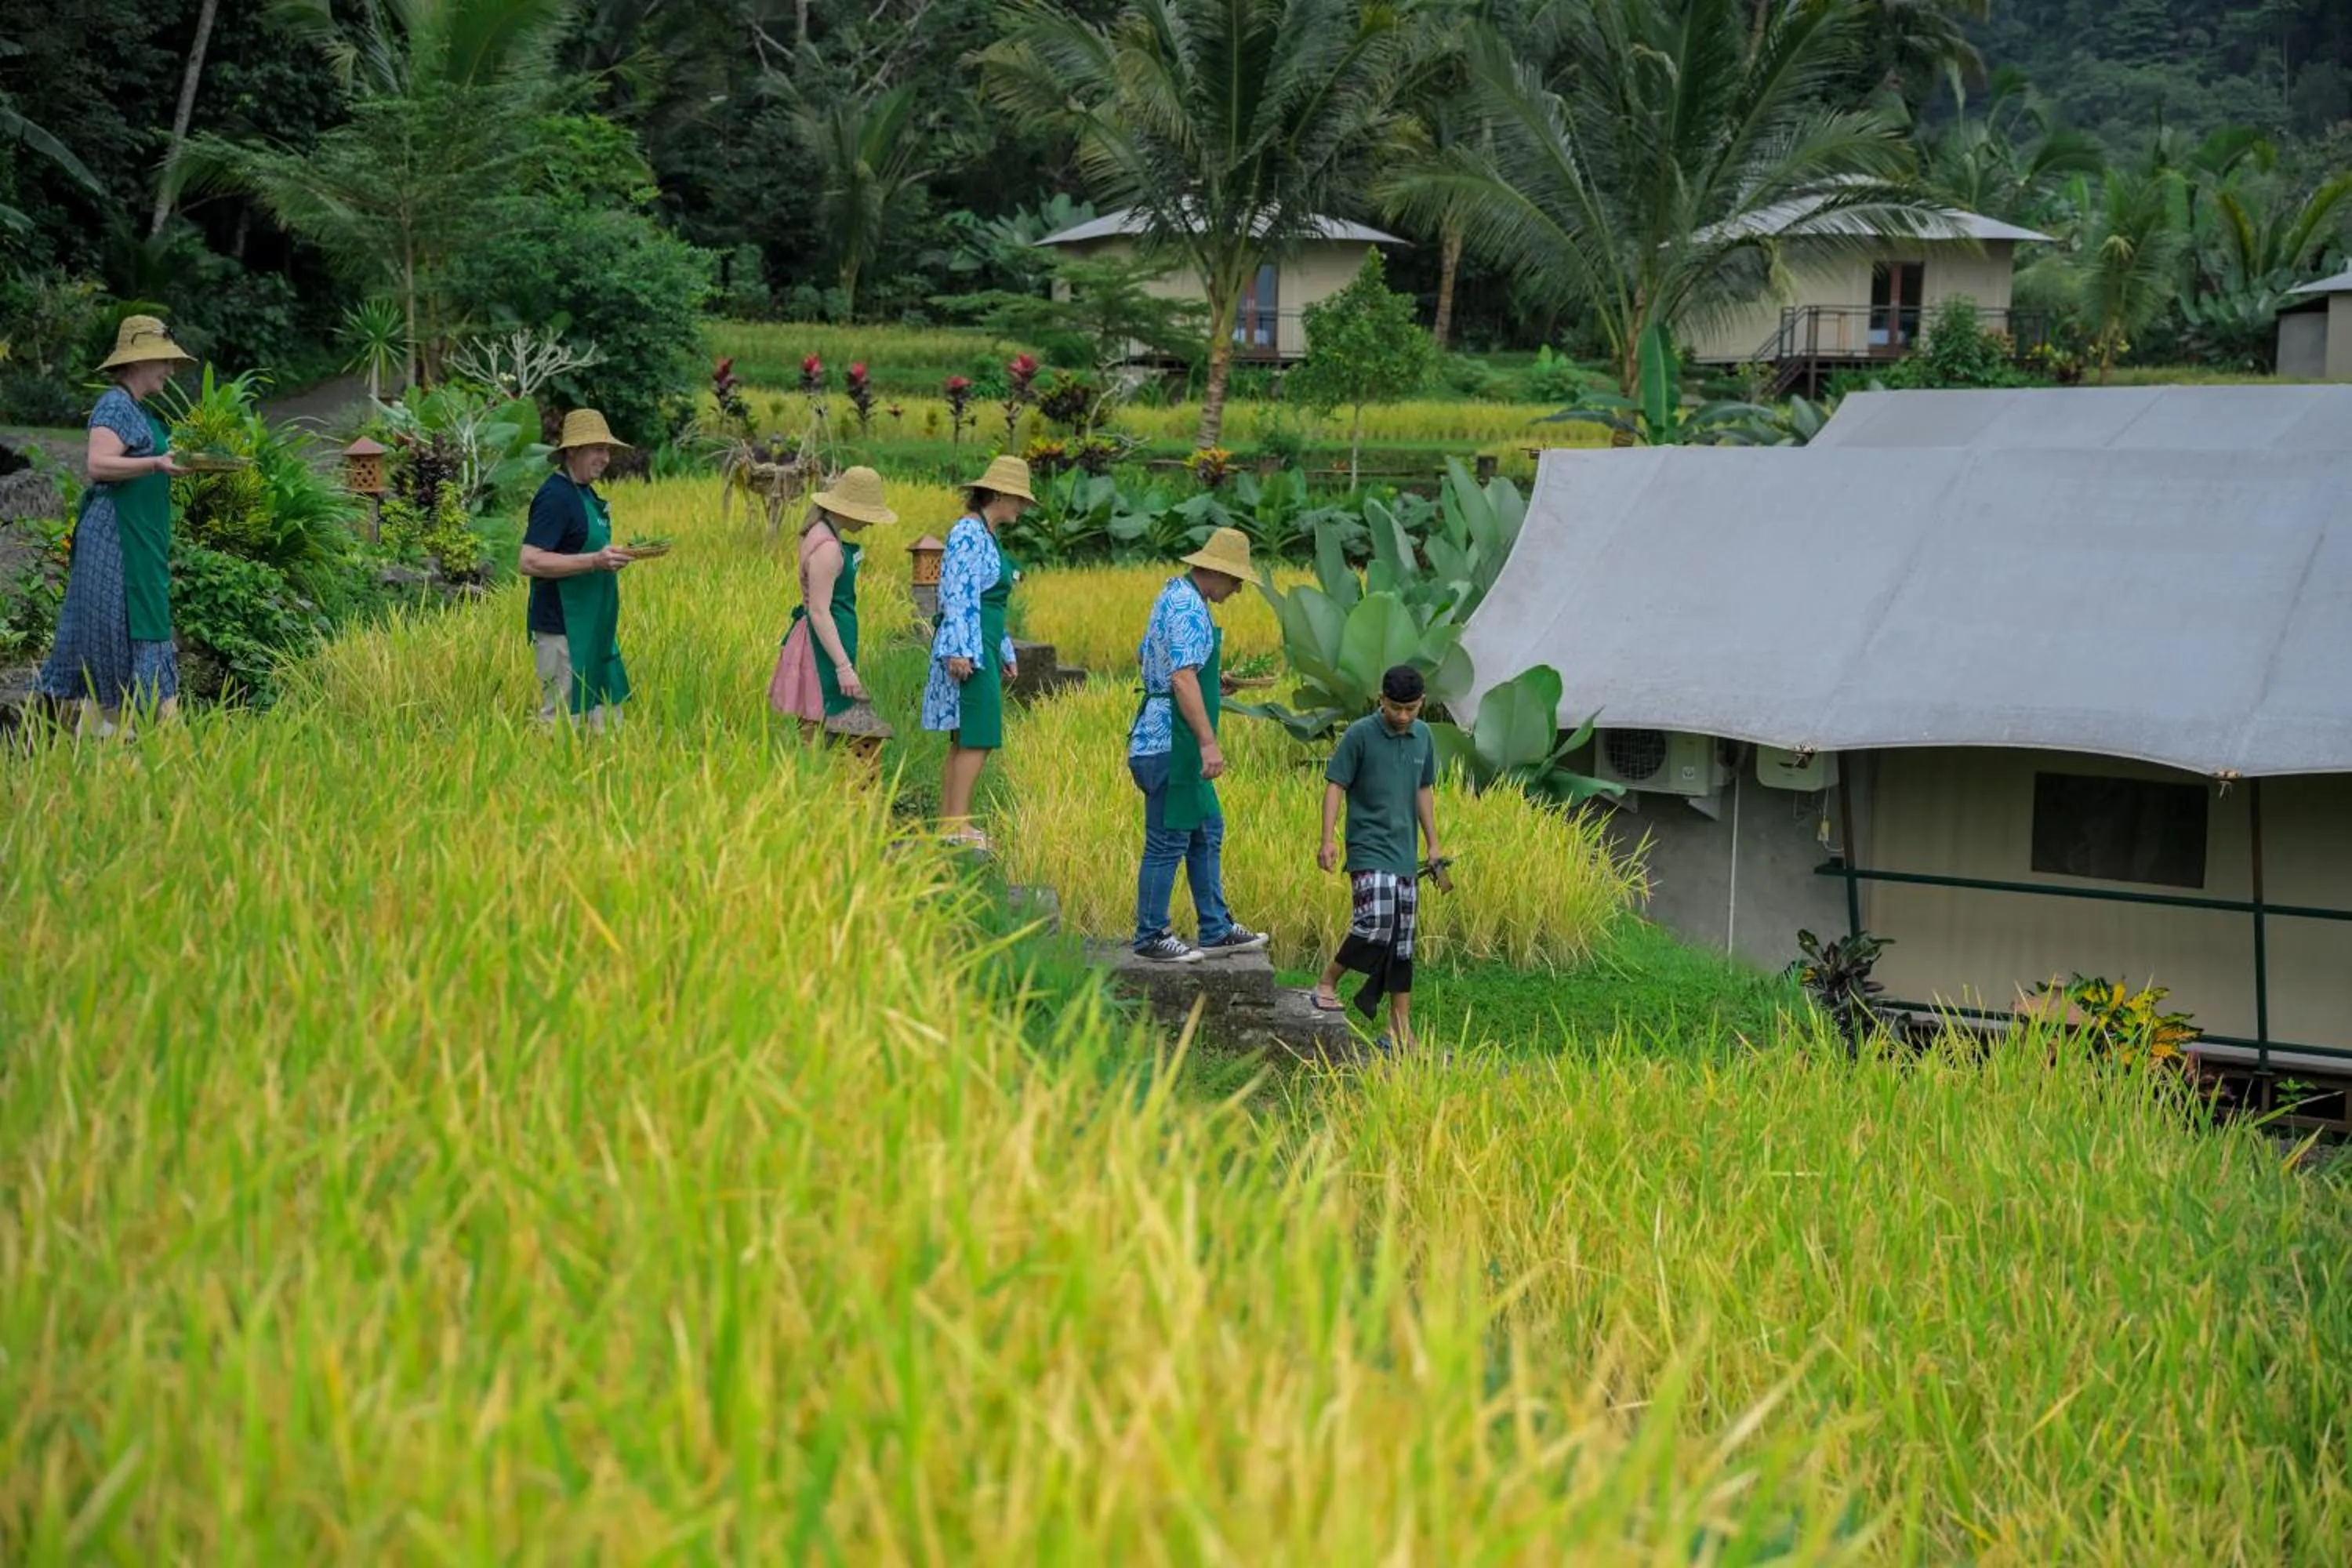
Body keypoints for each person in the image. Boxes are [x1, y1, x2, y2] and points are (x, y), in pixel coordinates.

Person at [33, 315, 196, 735]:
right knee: (114, 626)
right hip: (114, 537)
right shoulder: (114, 404)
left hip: (139, 537)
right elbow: (98, 464)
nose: (171, 371)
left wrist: (170, 459)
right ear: (138, 362)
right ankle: (112, 728)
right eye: (164, 361)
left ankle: (135, 729)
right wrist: (156, 462)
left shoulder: (134, 409)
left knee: (135, 621)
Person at [1126, 526, 1271, 964]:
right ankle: (1151, 935)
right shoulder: (1189, 607)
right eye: (1236, 579)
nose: (1239, 589)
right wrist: (1209, 742)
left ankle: (1216, 927)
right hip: (1173, 742)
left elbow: (1147, 656)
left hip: (1167, 736)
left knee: (1207, 829)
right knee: (1168, 840)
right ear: (1214, 572)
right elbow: (1181, 677)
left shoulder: (1175, 595)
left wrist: (1214, 682)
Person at [1312, 665, 1447, 1051]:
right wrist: (1328, 839)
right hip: (1368, 847)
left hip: (1404, 853)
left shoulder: (1423, 737)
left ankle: (1398, 1030)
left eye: (1411, 709)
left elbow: (1423, 791)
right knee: (1375, 925)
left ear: (1421, 703)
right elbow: (1336, 784)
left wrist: (1433, 844)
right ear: (1381, 701)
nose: (1403, 717)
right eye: (1395, 709)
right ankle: (1326, 982)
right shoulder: (1360, 735)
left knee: (1402, 943)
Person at [921, 455, 1033, 850]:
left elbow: (990, 602)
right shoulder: (968, 533)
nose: (1022, 507)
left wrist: (1004, 649)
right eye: (1019, 499)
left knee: (967, 736)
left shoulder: (987, 536)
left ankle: (950, 824)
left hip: (982, 642)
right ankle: (956, 824)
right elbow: (957, 595)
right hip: (969, 646)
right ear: (1000, 495)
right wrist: (959, 650)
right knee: (977, 736)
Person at [519, 409, 635, 731]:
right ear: (572, 451)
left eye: (607, 449)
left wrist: (608, 557)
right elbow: (529, 560)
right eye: (597, 448)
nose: (605, 457)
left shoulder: (584, 492)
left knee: (606, 720)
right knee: (562, 722)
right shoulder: (555, 497)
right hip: (562, 629)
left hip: (594, 627)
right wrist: (594, 562)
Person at [770, 466, 895, 737]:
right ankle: (811, 776)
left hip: (829, 640)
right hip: (820, 646)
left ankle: (813, 774)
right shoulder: (827, 548)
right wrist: (843, 667)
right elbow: (818, 612)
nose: (869, 522)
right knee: (816, 724)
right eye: (867, 514)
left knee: (814, 725)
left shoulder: (824, 533)